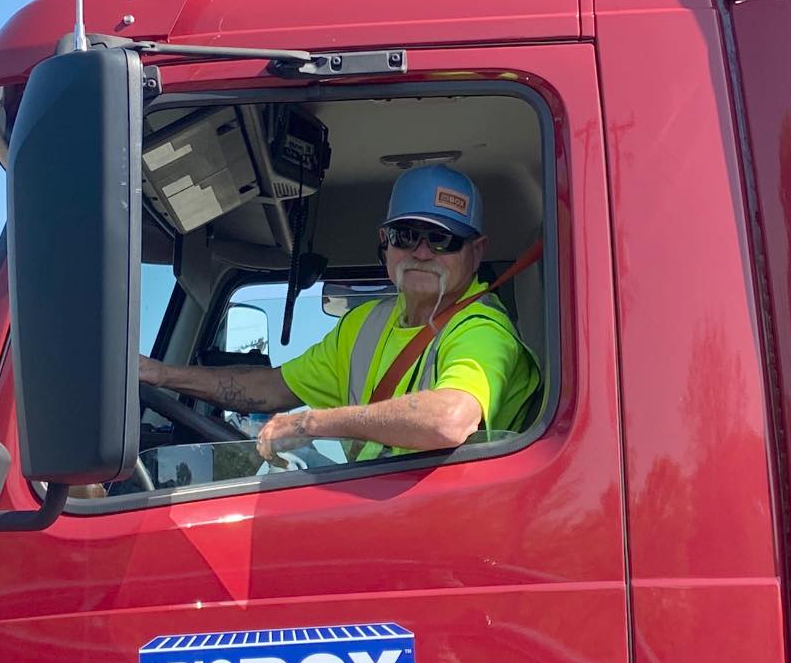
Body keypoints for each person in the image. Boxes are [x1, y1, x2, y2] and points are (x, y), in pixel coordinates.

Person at [139, 164, 540, 466]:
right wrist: (162, 375)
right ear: (385, 242)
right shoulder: (366, 324)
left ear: (477, 251)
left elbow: (449, 420)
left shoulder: (482, 331)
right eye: (405, 235)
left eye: (441, 239)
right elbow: (273, 387)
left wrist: (309, 424)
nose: (421, 252)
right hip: (378, 517)